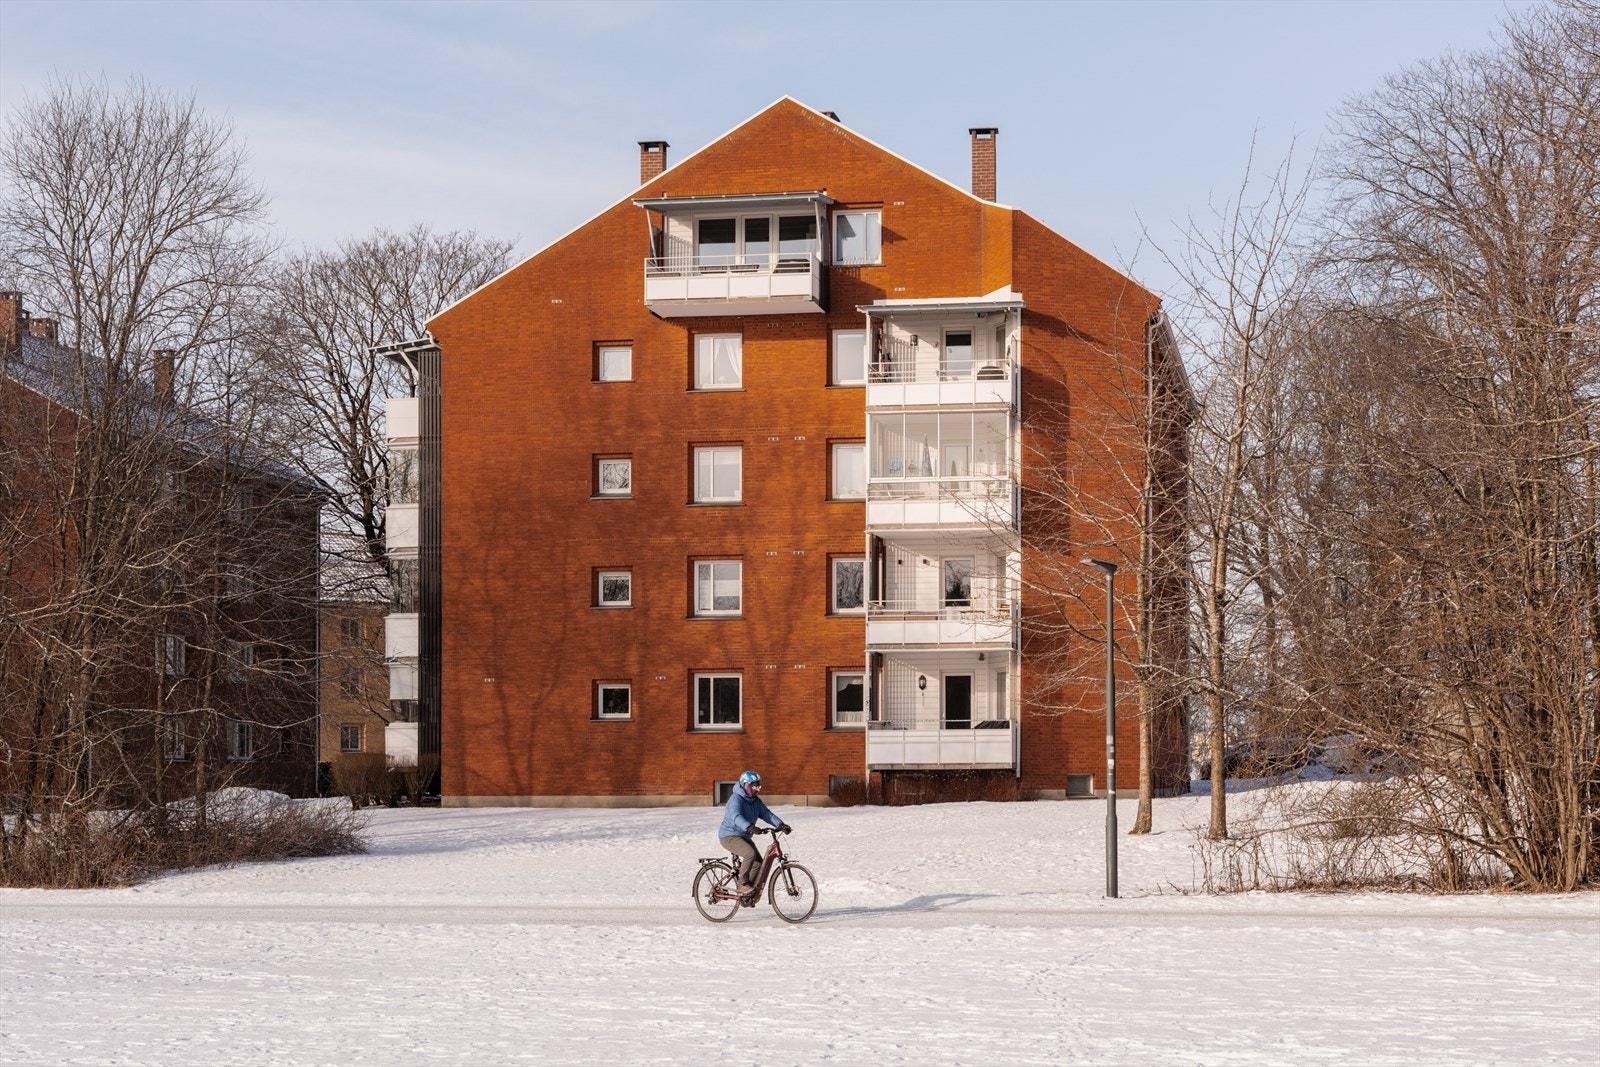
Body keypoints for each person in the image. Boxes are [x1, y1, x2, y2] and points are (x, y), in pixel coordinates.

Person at [718, 770, 790, 895]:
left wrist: (780, 824)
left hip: (744, 836)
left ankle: (747, 895)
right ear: (746, 785)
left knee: (758, 863)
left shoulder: (755, 801)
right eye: (754, 786)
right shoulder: (736, 799)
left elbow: (767, 814)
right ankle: (742, 884)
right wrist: (749, 827)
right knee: (750, 854)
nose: (757, 789)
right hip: (729, 836)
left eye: (758, 786)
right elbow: (736, 816)